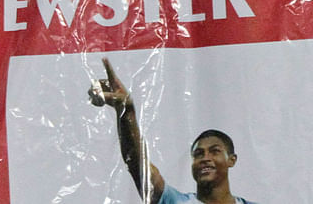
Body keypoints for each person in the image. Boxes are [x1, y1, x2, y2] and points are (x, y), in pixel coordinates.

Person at [88, 59, 254, 204]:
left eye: (214, 151)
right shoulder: (175, 201)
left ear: (232, 160)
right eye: (198, 154)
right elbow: (138, 166)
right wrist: (127, 113)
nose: (205, 158)